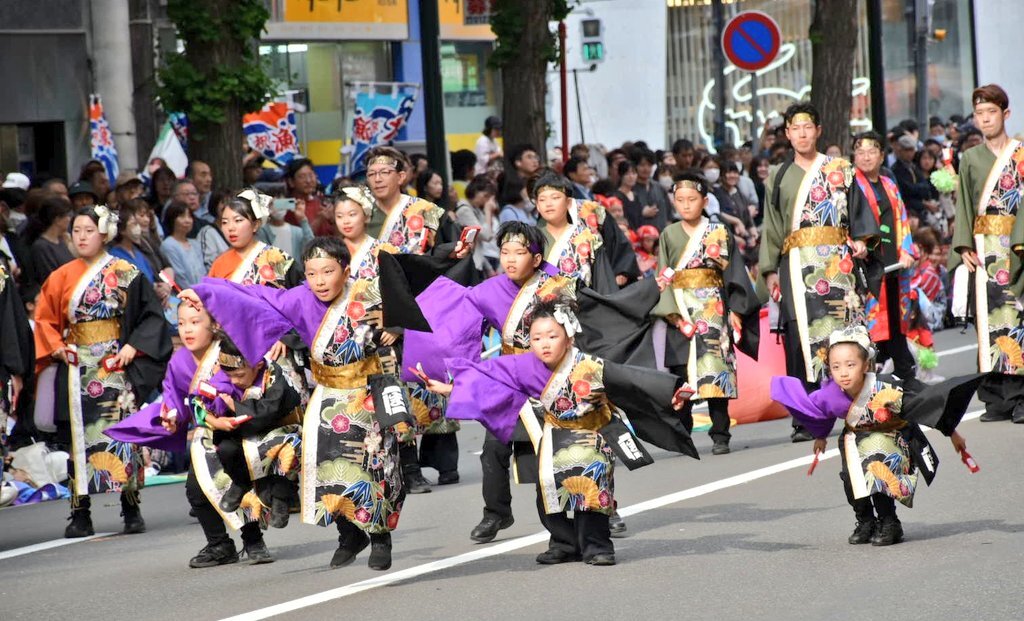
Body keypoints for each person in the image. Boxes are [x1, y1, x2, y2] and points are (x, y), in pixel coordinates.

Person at [186, 236, 431, 571]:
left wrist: (397, 325)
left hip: (367, 392)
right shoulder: (299, 298)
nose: (320, 281)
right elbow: (255, 296)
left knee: (375, 466)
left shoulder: (366, 292)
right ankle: (349, 534)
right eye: (312, 273)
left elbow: (411, 285)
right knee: (328, 471)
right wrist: (204, 293)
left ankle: (379, 537)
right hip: (327, 395)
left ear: (346, 270)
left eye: (328, 271)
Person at [429, 297, 698, 566]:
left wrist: (670, 393)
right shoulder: (525, 366)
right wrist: (451, 387)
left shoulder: (590, 365)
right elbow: (488, 376)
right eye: (536, 338)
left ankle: (597, 546)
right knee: (546, 489)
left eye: (552, 336)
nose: (544, 344)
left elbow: (632, 380)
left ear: (568, 338)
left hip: (593, 434)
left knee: (591, 488)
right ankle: (564, 542)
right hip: (554, 434)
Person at [771, 326, 980, 546]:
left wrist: (952, 433)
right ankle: (866, 521)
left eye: (850, 365)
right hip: (854, 438)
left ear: (866, 365)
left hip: (890, 436)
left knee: (878, 475)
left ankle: (889, 522)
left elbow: (924, 405)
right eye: (836, 366)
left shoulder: (884, 388)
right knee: (851, 481)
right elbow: (820, 412)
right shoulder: (830, 393)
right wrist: (820, 436)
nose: (843, 372)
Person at [34, 206, 171, 538]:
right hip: (76, 367)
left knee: (120, 436)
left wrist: (133, 346)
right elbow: (44, 320)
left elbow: (151, 316)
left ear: (105, 233)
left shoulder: (125, 272)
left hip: (114, 365)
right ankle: (80, 512)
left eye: (89, 230)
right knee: (77, 442)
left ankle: (130, 505)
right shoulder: (61, 276)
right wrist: (56, 346)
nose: (82, 237)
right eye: (76, 231)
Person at [105, 303, 273, 567]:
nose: (187, 330)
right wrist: (171, 417)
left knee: (234, 485)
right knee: (196, 492)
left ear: (214, 325)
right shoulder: (179, 361)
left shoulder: (227, 350)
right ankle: (219, 544)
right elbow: (173, 398)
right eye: (181, 323)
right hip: (206, 432)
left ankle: (253, 540)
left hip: (235, 430)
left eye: (195, 322)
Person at [758, 102, 877, 442]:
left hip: (838, 266)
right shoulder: (778, 175)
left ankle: (859, 407)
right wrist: (769, 270)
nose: (802, 134)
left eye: (807, 127)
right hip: (797, 267)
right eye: (795, 129)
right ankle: (805, 418)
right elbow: (772, 226)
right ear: (787, 133)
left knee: (846, 335)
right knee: (799, 341)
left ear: (818, 130)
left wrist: (862, 241)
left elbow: (859, 213)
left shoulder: (841, 168)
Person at [363, 146, 472, 494]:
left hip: (426, 308)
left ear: (402, 176)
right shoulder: (360, 214)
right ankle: (408, 467)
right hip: (377, 316)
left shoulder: (428, 214)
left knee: (432, 383)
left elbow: (450, 258)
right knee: (395, 390)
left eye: (385, 172)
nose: (378, 179)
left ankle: (445, 461)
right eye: (371, 174)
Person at [652, 173, 761, 455]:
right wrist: (673, 315)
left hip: (714, 308)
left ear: (705, 201)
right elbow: (662, 276)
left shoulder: (719, 232)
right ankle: (683, 432)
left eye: (692, 199)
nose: (686, 205)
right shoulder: (668, 234)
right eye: (680, 200)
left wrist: (736, 310)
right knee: (681, 373)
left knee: (716, 370)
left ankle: (720, 434)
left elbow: (734, 273)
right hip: (680, 309)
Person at [954, 84, 1024, 423]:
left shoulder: (1020, 153)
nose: (985, 119)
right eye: (979, 113)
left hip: (1017, 243)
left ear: (1005, 114)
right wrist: (964, 244)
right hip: (984, 246)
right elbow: (964, 204)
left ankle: (1020, 394)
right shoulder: (970, 158)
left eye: (991, 112)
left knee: (1017, 317)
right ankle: (996, 396)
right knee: (989, 320)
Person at [194, 331, 303, 535]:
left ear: (258, 365)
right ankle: (240, 483)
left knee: (287, 449)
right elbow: (199, 404)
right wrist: (217, 421)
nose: (234, 381)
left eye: (239, 375)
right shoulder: (220, 376)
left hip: (275, 427)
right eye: (230, 376)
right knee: (225, 449)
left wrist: (235, 406)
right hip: (238, 432)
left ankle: (281, 498)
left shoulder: (273, 375)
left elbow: (271, 409)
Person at [851, 131, 921, 389]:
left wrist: (906, 250)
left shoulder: (889, 184)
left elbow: (901, 219)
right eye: (860, 152)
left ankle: (905, 374)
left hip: (894, 263)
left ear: (882, 155)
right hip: (867, 264)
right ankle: (875, 379)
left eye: (872, 151)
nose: (866, 157)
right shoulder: (850, 186)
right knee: (873, 326)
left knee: (895, 320)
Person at [536, 169, 640, 291]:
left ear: (568, 199)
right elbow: (540, 261)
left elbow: (616, 240)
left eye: (555, 197)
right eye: (542, 199)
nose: (548, 203)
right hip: (561, 288)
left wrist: (621, 271)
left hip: (600, 277)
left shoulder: (592, 210)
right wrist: (558, 279)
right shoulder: (542, 222)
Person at [24, 195, 75, 288]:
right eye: (67, 216)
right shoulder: (41, 247)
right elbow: (50, 277)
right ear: (57, 219)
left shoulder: (62, 241)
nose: (69, 219)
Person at [455, 175, 500, 278]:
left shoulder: (475, 210)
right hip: (469, 265)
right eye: (485, 196)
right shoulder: (464, 210)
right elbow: (486, 236)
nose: (486, 200)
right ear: (475, 191)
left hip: (477, 263)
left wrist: (488, 268)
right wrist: (488, 211)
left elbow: (488, 236)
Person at [161, 202, 206, 290]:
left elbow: (203, 272)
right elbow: (179, 277)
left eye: (189, 216)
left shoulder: (195, 243)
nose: (187, 220)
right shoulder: (169, 245)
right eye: (182, 216)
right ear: (172, 219)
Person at [283, 158, 332, 237]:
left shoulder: (322, 201)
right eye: (302, 177)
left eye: (311, 175)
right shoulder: (284, 204)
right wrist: (319, 219)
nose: (308, 181)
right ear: (291, 182)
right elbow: (302, 239)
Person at [264, 194, 314, 261]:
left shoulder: (296, 232)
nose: (279, 208)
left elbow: (311, 246)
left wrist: (303, 219)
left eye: (281, 203)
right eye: (274, 204)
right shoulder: (262, 231)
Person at [632, 150, 670, 230]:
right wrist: (641, 214)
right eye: (642, 165)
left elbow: (669, 215)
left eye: (649, 165)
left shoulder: (659, 188)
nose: (646, 169)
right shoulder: (631, 189)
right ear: (635, 166)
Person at [186, 160, 215, 226]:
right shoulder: (178, 201)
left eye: (210, 175)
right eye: (203, 175)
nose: (209, 179)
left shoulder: (214, 200)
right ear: (190, 178)